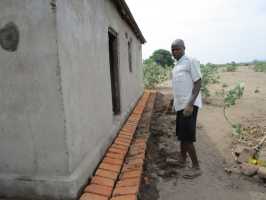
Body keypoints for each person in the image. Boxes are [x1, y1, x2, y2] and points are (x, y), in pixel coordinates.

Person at [171, 39, 202, 178]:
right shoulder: (177, 65)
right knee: (182, 135)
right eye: (173, 49)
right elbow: (179, 86)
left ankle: (196, 167)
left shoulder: (191, 61)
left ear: (184, 48)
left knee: (188, 137)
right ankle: (182, 160)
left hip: (189, 105)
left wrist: (190, 104)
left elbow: (198, 82)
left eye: (177, 49)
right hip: (180, 105)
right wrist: (173, 102)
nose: (175, 52)